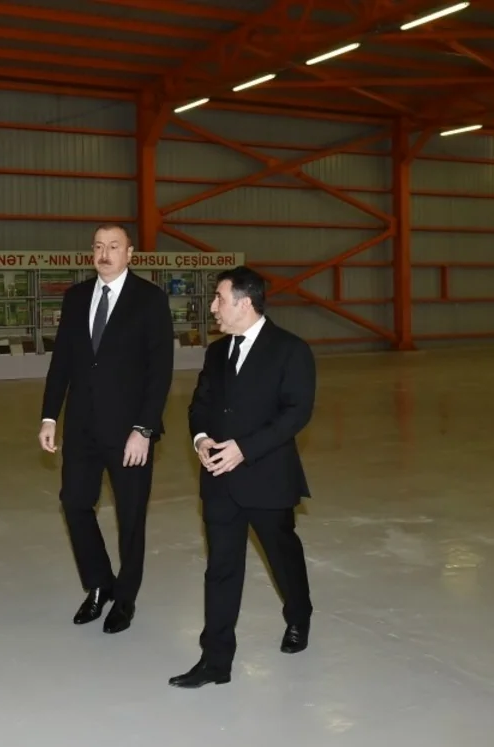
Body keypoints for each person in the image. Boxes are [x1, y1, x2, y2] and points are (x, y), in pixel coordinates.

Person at [169, 265, 316, 689]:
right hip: (219, 478)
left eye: (219, 298)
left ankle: (299, 615)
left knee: (282, 557)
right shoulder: (216, 353)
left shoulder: (290, 350)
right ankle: (215, 660)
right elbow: (200, 404)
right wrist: (201, 439)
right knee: (220, 568)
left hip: (266, 477)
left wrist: (244, 449)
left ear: (244, 303)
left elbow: (296, 412)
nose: (213, 307)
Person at [38, 223, 174, 634]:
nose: (104, 253)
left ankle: (125, 599)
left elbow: (160, 370)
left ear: (129, 254)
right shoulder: (77, 297)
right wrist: (49, 416)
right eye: (98, 246)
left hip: (130, 432)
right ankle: (99, 584)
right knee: (74, 503)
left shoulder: (149, 299)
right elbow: (62, 361)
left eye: (114, 246)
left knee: (131, 518)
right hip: (82, 427)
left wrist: (144, 429)